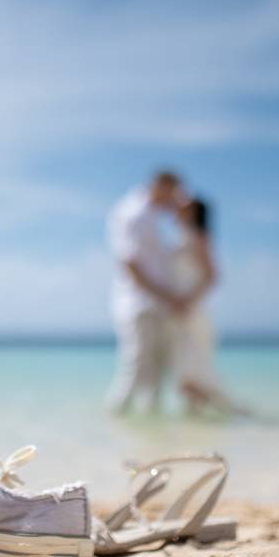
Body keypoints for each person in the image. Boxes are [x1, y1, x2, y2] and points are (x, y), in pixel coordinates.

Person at [106, 171, 186, 413]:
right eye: (174, 193)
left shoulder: (148, 214)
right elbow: (130, 263)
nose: (176, 199)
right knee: (137, 363)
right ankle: (116, 416)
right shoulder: (134, 212)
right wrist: (166, 295)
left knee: (156, 366)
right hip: (137, 302)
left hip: (152, 302)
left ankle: (149, 432)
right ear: (161, 187)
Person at [169, 198, 246, 415]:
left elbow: (213, 276)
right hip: (180, 311)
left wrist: (187, 300)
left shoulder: (200, 238)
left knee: (193, 373)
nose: (179, 209)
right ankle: (197, 426)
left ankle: (228, 413)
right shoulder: (183, 237)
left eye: (185, 207)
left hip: (192, 311)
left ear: (194, 213)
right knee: (186, 373)